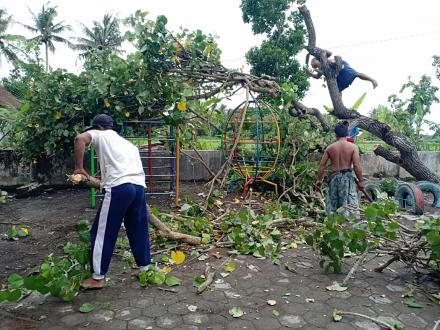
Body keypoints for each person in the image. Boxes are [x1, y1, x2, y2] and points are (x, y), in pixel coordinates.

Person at [73, 114, 150, 289]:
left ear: (98, 127)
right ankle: (145, 268)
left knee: (103, 232)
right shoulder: (128, 144)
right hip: (138, 188)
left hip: (119, 188)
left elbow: (79, 139)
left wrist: (78, 168)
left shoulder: (99, 134)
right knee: (138, 228)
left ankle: (97, 278)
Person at [315, 121, 365, 215]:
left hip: (333, 178)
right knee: (349, 205)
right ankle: (348, 225)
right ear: (347, 134)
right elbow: (356, 165)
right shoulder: (353, 147)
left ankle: (332, 225)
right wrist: (361, 180)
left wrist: (318, 180)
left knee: (333, 204)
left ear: (336, 135)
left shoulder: (330, 148)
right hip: (347, 179)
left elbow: (322, 165)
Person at [309, 50, 378, 92]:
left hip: (340, 66)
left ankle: (373, 80)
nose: (312, 65)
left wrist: (333, 62)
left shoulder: (323, 59)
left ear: (316, 60)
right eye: (312, 65)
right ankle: (340, 106)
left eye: (313, 62)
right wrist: (309, 73)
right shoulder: (321, 69)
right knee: (338, 90)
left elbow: (330, 54)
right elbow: (317, 77)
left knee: (355, 74)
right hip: (336, 75)